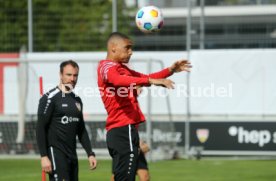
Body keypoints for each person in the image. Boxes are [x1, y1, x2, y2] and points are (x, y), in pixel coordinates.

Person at [97, 32, 191, 181]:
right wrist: (151, 81)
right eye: (127, 48)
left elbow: (146, 77)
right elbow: (117, 80)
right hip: (122, 129)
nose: (131, 52)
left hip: (125, 130)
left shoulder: (121, 68)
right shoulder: (107, 67)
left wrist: (170, 70)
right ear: (113, 48)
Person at [36, 60, 97, 181]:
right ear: (61, 75)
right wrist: (44, 156)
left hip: (72, 155)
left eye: (75, 75)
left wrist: (90, 153)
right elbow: (40, 128)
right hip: (56, 153)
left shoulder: (77, 100)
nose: (72, 78)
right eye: (68, 75)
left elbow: (81, 130)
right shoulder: (49, 98)